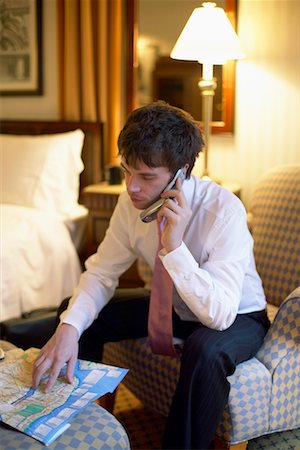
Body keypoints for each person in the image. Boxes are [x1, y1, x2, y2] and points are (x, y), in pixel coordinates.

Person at [32, 101, 270, 449]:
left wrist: (175, 247)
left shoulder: (223, 210)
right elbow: (101, 273)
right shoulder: (129, 204)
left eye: (146, 177)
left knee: (205, 350)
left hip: (236, 313)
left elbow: (218, 315)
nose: (131, 187)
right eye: (127, 170)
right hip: (172, 304)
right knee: (76, 312)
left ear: (180, 172)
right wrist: (69, 328)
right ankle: (77, 428)